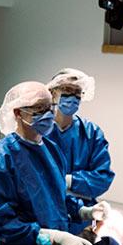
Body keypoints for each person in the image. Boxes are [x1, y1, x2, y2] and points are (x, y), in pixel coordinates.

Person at [0, 81, 109, 245]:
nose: (48, 114)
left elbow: (54, 196)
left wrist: (84, 211)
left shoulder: (51, 149)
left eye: (50, 107)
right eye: (39, 110)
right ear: (18, 113)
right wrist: (50, 236)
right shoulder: (2, 159)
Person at [46, 68, 115, 202]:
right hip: (45, 211)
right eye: (67, 90)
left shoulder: (91, 133)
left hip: (83, 215)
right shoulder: (39, 131)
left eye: (77, 92)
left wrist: (70, 181)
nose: (72, 96)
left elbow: (103, 178)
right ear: (53, 93)